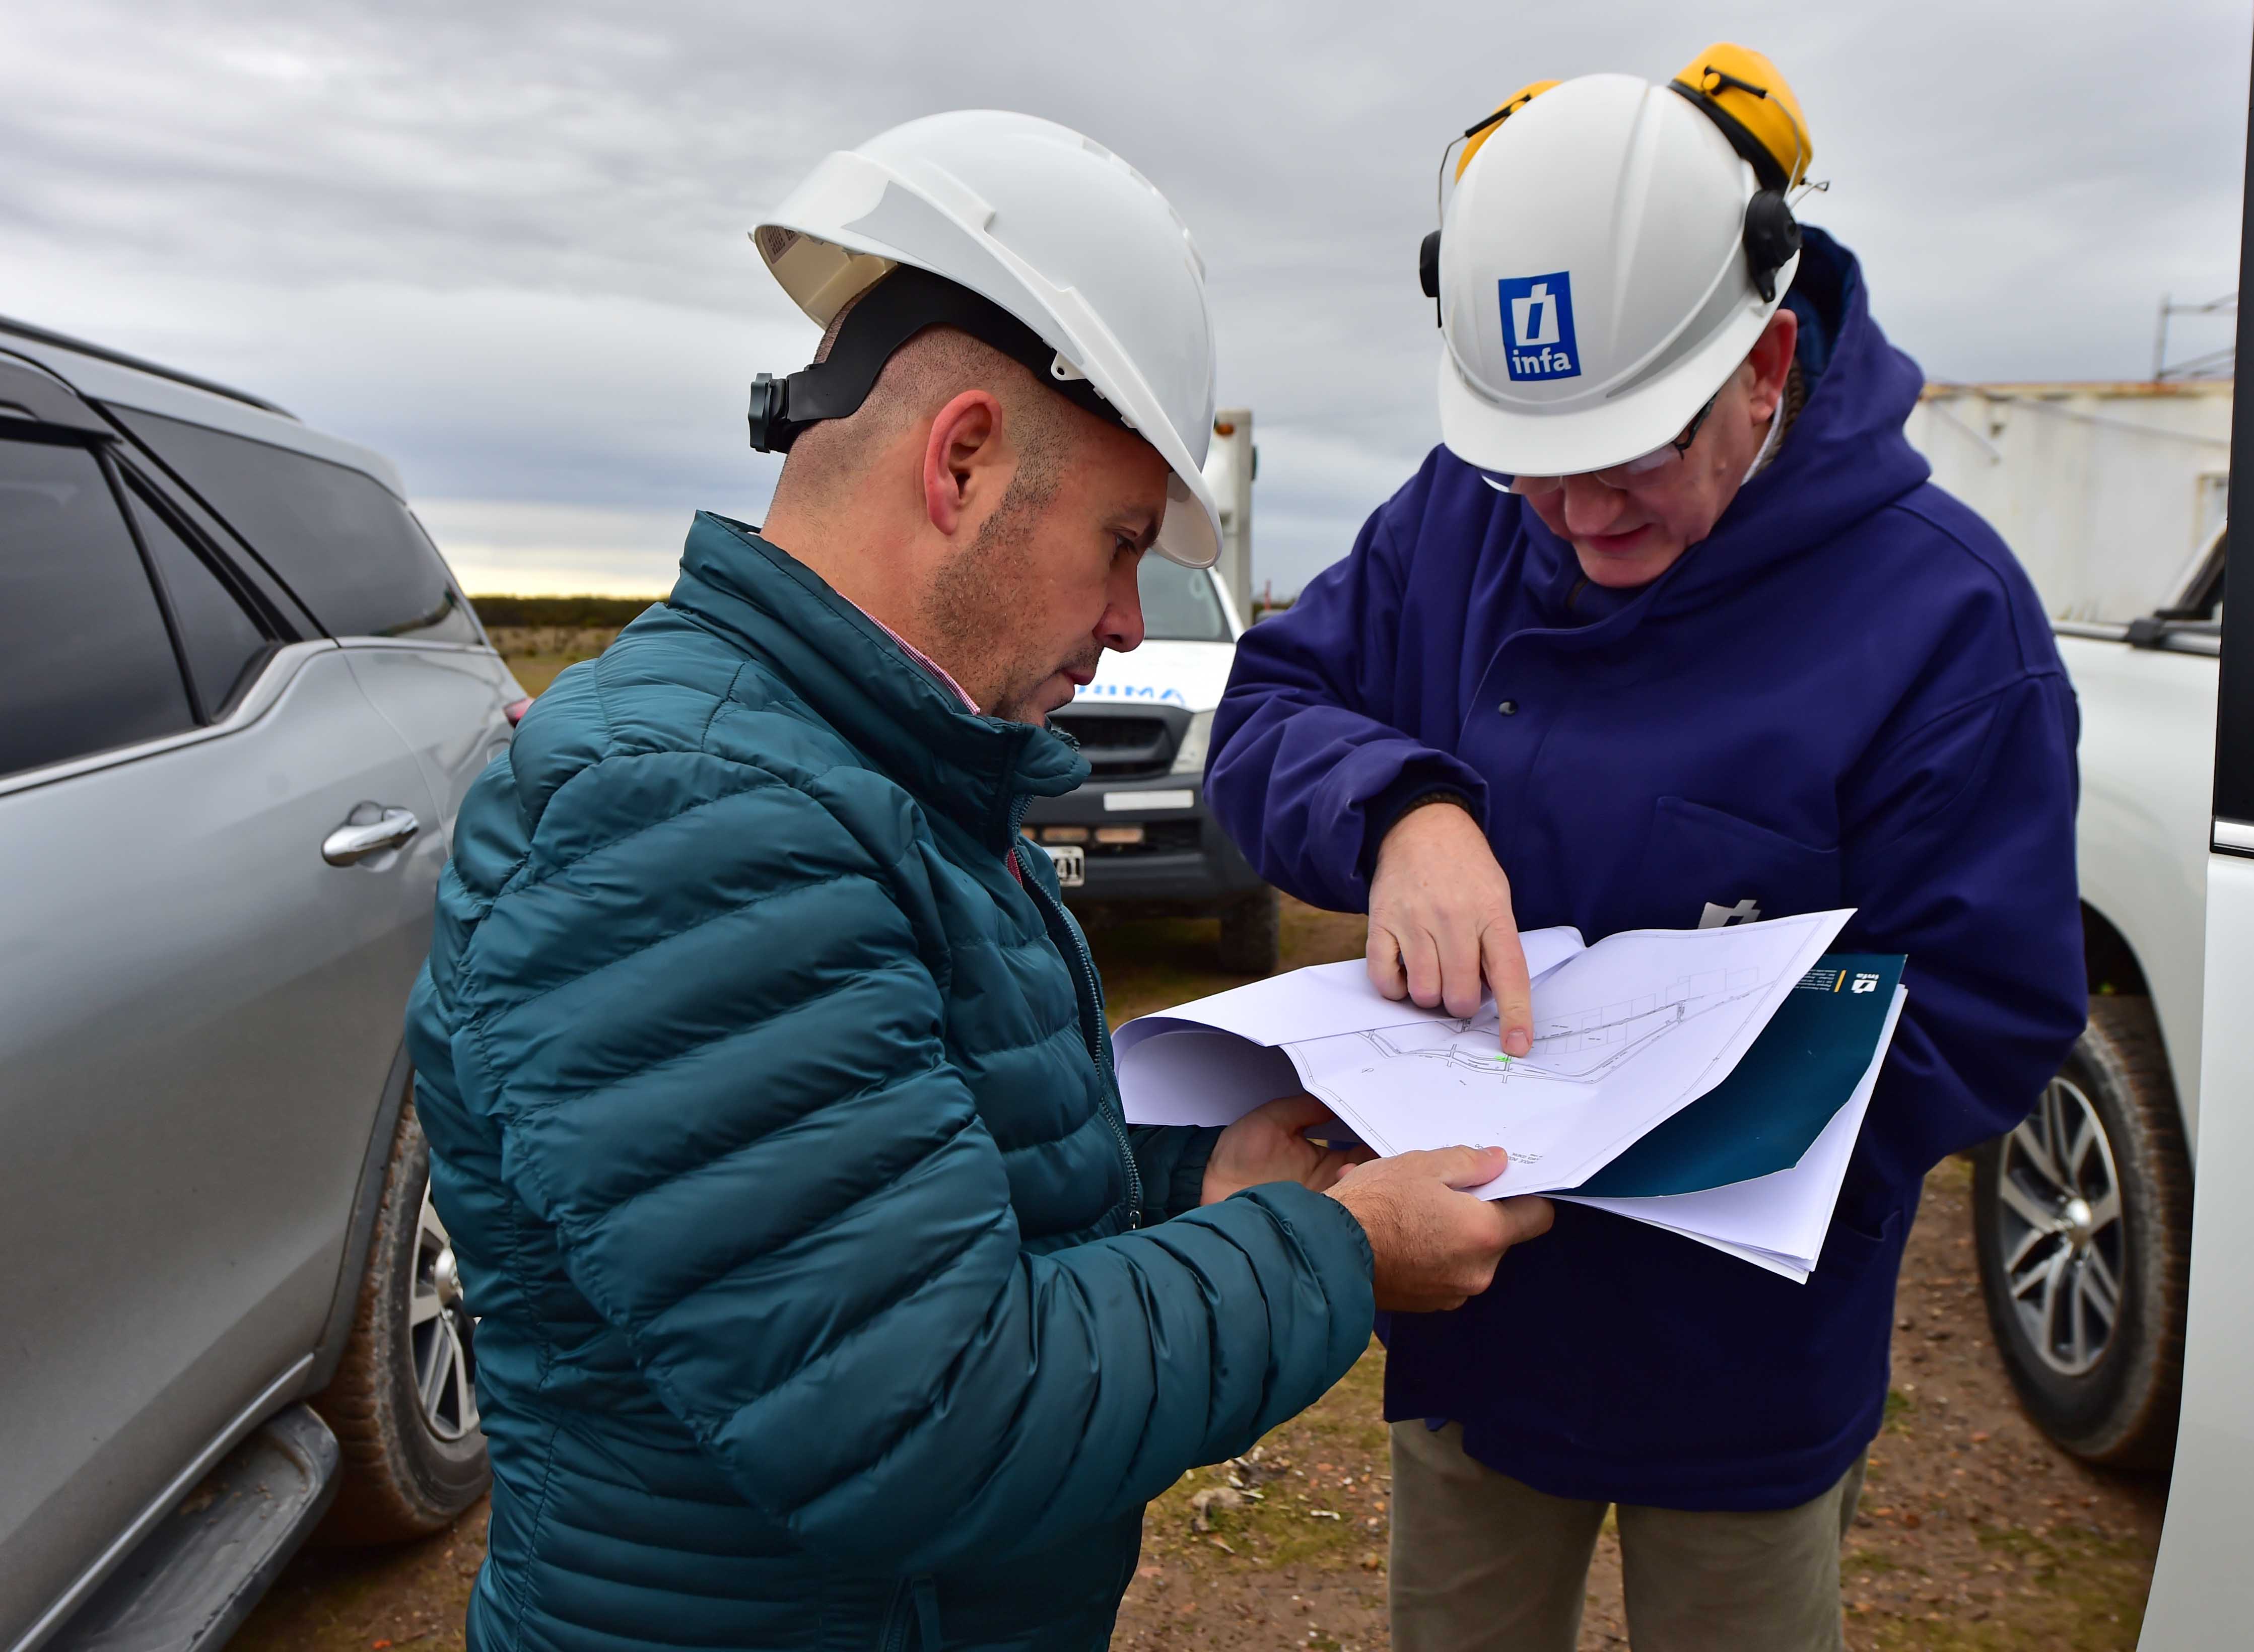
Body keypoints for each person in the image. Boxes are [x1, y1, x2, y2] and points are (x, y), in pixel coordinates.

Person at [406, 111, 1550, 1652]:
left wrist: (1192, 1184)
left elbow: (928, 1196)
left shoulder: (869, 774)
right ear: (961, 464)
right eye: (1121, 542)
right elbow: (924, 1412)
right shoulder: (686, 818)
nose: (1135, 621)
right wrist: (1339, 1252)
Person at [1205, 47, 2087, 1652]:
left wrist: (1681, 1121)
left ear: (1768, 362)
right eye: (1531, 464)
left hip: (1745, 1369)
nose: (1573, 515)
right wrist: (1403, 807)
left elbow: (1996, 1006)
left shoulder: (1944, 620)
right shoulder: (1462, 521)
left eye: (1632, 462)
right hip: (1472, 1333)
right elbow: (1269, 709)